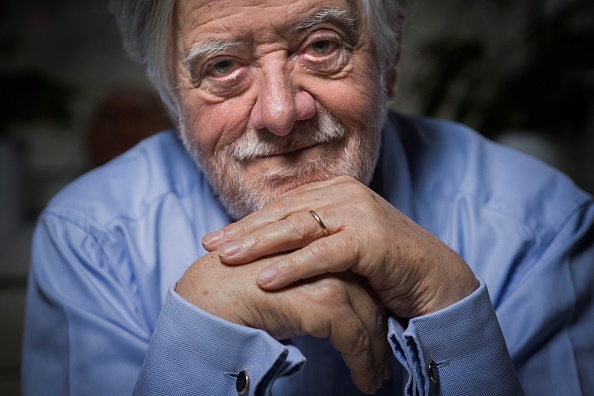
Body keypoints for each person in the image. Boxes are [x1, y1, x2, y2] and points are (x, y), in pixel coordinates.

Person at [21, 0, 594, 395]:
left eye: (321, 45)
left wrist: (454, 315)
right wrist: (200, 343)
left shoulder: (540, 224)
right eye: (222, 66)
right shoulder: (89, 238)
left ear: (388, 63)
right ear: (172, 94)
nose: (280, 113)